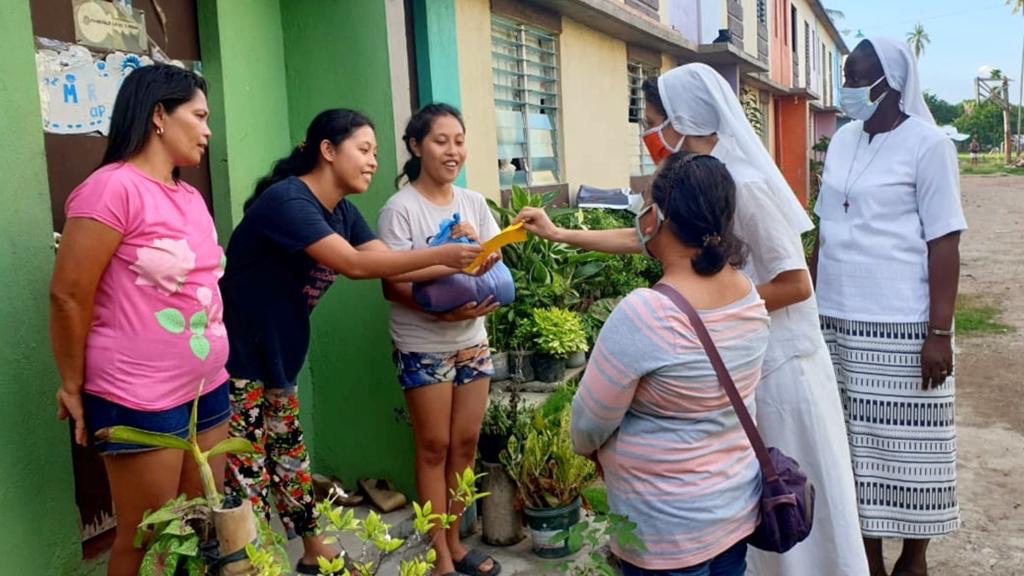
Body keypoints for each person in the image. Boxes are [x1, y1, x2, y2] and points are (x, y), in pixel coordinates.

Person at [517, 64, 869, 576]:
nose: (648, 134)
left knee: (783, 512)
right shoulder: (691, 186)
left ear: (681, 120)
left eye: (654, 120)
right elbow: (645, 234)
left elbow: (796, 283)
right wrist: (561, 235)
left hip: (771, 367)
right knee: (732, 504)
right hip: (723, 359)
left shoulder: (742, 185)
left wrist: (711, 312)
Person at [218, 108, 480, 574]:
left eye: (376, 153)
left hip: (280, 353)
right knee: (247, 473)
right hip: (236, 359)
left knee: (289, 456)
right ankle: (253, 564)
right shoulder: (289, 201)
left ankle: (313, 545)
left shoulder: (340, 211)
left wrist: (466, 262)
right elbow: (356, 267)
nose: (373, 161)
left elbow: (394, 262)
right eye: (364, 150)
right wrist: (448, 256)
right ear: (327, 150)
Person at [49, 64, 228, 576]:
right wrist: (72, 383)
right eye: (198, 116)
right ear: (158, 116)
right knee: (148, 533)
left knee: (200, 526)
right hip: (138, 395)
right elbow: (68, 294)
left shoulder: (189, 195)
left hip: (207, 388)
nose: (207, 130)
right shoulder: (111, 190)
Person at [571, 153, 770, 575]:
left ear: (657, 217)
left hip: (666, 530)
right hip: (733, 511)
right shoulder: (747, 296)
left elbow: (587, 425)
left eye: (645, 202)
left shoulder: (647, 314)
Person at [815, 37, 965, 576]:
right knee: (853, 451)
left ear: (889, 82)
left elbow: (943, 240)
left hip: (903, 326)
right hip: (836, 320)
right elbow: (825, 226)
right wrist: (812, 304)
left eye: (855, 77)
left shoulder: (929, 145)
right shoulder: (842, 140)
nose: (847, 87)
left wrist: (939, 332)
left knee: (913, 453)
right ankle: (869, 561)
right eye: (846, 76)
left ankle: (914, 559)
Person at [378, 103, 502, 576]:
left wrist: (485, 261)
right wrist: (440, 308)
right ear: (416, 146)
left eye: (459, 140)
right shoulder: (400, 209)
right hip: (422, 343)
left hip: (472, 338)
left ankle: (455, 541)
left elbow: (491, 261)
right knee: (433, 445)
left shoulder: (472, 203)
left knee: (466, 443)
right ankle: (438, 556)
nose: (453, 151)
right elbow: (392, 283)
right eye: (440, 141)